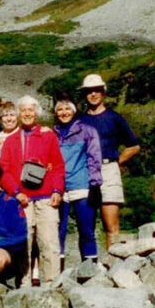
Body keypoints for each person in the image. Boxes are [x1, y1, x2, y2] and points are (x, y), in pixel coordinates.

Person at [0, 95, 65, 285]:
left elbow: (58, 166)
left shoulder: (48, 136)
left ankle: (53, 284)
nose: (27, 113)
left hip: (46, 198)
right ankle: (24, 284)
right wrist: (16, 192)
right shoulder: (11, 141)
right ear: (18, 113)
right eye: (23, 110)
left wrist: (57, 190)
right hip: (22, 200)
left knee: (50, 243)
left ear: (37, 113)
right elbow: (4, 171)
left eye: (31, 110)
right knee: (23, 243)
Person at [78, 74, 140, 249]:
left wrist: (116, 162)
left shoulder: (114, 118)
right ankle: (90, 266)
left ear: (103, 92)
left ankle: (114, 264)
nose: (93, 94)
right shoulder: (80, 120)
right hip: (85, 171)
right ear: (84, 94)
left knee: (111, 225)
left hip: (108, 169)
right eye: (89, 91)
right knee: (86, 226)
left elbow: (133, 146)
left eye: (97, 90)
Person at [53, 93, 102, 268]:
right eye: (60, 109)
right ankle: (57, 272)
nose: (64, 112)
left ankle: (90, 270)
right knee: (58, 232)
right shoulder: (53, 133)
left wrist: (95, 184)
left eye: (67, 108)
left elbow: (94, 158)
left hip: (81, 186)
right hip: (59, 188)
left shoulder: (87, 131)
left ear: (74, 110)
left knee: (86, 230)